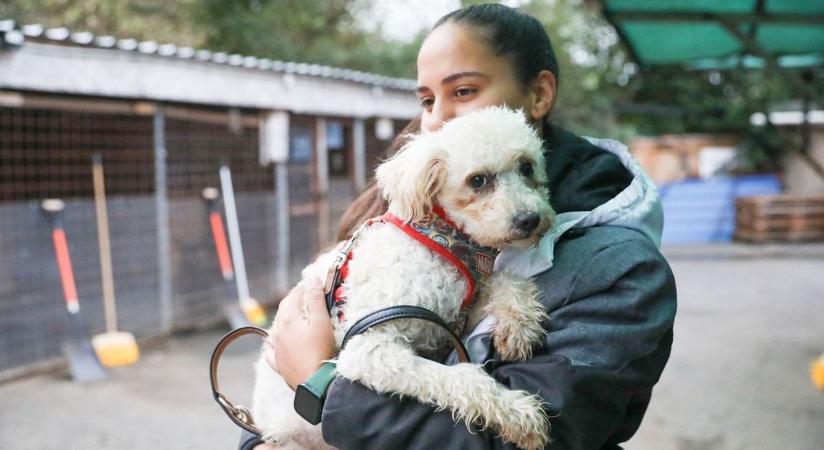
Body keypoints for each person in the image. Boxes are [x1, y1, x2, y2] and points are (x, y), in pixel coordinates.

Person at [240, 3, 676, 449]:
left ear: (540, 95)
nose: (438, 118)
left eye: (464, 91)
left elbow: (527, 439)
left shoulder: (621, 270)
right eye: (427, 100)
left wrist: (320, 387)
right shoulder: (405, 216)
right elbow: (289, 352)